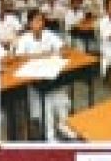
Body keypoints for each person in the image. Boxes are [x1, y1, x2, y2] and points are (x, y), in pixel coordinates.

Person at [10, 8, 71, 141]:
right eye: (36, 21)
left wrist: (60, 50)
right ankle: (50, 136)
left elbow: (64, 48)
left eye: (41, 20)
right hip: (34, 82)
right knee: (47, 102)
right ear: (30, 24)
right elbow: (19, 57)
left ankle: (63, 125)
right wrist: (43, 55)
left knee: (62, 97)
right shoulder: (24, 38)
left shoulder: (48, 34)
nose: (40, 23)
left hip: (49, 77)